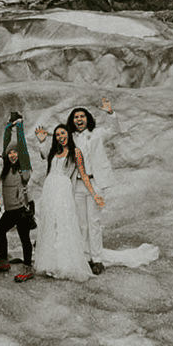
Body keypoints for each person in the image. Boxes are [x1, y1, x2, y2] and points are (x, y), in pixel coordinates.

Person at [31, 122, 100, 281]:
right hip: (50, 189)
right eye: (57, 135)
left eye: (63, 134)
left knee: (63, 223)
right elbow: (43, 153)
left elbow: (83, 175)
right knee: (50, 223)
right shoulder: (54, 151)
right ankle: (50, 262)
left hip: (63, 189)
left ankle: (65, 263)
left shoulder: (75, 152)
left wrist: (94, 194)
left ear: (68, 134)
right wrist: (42, 140)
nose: (61, 137)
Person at [68, 98, 115, 273]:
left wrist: (110, 113)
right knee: (81, 223)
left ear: (87, 118)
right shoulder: (70, 137)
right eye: (76, 117)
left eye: (82, 116)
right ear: (72, 120)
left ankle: (97, 259)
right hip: (78, 184)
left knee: (94, 221)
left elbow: (114, 129)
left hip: (95, 182)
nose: (79, 119)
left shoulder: (97, 133)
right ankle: (85, 257)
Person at [0, 118, 36, 280]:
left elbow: (23, 148)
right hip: (10, 210)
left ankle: (27, 268)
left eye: (15, 152)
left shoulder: (24, 169)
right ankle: (4, 260)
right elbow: (5, 147)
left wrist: (19, 127)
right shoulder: (6, 168)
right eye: (10, 153)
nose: (12, 155)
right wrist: (7, 129)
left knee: (24, 238)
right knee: (0, 230)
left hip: (21, 209)